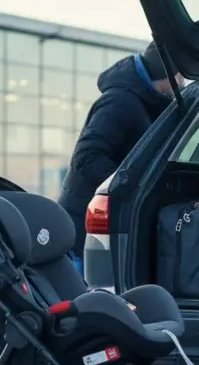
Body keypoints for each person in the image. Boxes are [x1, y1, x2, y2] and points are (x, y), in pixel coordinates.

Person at [58, 42, 183, 274]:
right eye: (179, 75)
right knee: (89, 303)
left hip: (113, 225)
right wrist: (132, 185)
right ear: (164, 71)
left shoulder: (151, 103)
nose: (182, 83)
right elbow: (87, 157)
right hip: (86, 232)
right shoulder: (120, 102)